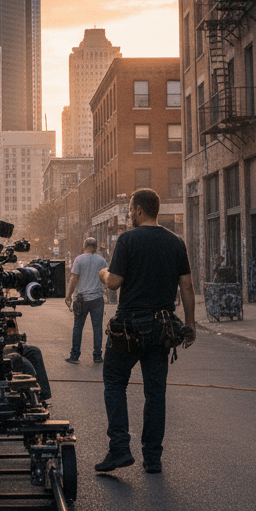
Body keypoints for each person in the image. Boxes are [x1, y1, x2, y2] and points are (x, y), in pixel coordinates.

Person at [96, 189, 196, 475]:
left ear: (139, 210)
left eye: (130, 209)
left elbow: (114, 283)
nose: (129, 214)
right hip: (162, 328)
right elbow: (186, 287)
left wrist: (102, 272)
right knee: (156, 393)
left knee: (115, 383)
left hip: (128, 328)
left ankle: (119, 449)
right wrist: (190, 325)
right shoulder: (176, 242)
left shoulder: (128, 240)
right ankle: (152, 458)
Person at [63, 237, 108, 364]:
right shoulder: (102, 261)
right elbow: (106, 279)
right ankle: (97, 355)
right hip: (97, 299)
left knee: (78, 327)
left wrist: (68, 296)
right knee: (97, 327)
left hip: (81, 299)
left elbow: (74, 279)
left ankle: (75, 355)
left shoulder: (79, 259)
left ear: (84, 246)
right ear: (96, 246)